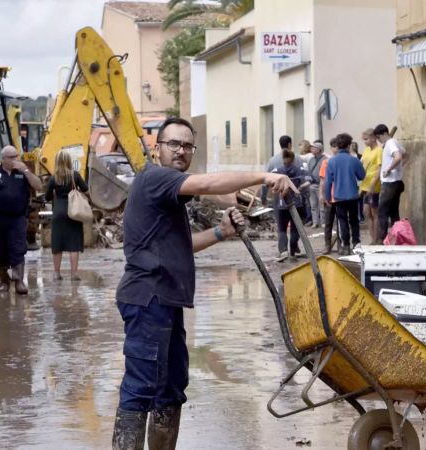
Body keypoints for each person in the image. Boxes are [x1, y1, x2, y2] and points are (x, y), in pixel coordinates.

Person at [112, 118, 297, 449]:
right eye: (173, 144)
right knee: (141, 389)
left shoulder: (169, 196)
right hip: (147, 299)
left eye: (187, 146)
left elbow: (180, 245)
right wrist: (263, 176)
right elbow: (210, 184)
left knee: (171, 389)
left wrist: (221, 233)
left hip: (166, 302)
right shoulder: (156, 178)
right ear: (158, 149)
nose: (181, 151)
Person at [0, 145, 43, 294]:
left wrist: (26, 170)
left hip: (18, 217)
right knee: (1, 249)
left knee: (18, 249)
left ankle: (19, 282)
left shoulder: (22, 172)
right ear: (4, 159)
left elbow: (38, 186)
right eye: (12, 157)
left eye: (16, 156)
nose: (15, 160)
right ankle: (4, 282)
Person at [45, 151, 89, 281]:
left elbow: (47, 197)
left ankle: (56, 273)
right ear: (69, 161)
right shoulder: (75, 176)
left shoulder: (54, 178)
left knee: (58, 244)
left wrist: (55, 195)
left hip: (58, 212)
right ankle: (74, 274)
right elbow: (86, 189)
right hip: (74, 212)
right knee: (73, 244)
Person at [324, 133, 365, 255]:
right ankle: (356, 243)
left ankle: (345, 245)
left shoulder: (331, 162)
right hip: (352, 195)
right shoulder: (354, 160)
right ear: (348, 146)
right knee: (354, 220)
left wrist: (327, 197)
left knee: (342, 221)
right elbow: (362, 175)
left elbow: (328, 182)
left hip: (338, 196)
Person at [271, 148, 308, 261]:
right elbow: (307, 182)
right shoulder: (299, 170)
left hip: (282, 204)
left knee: (282, 228)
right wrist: (302, 190)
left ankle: (283, 251)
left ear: (283, 159)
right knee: (295, 228)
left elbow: (270, 184)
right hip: (296, 204)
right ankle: (293, 249)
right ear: (293, 159)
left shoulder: (277, 171)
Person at [374, 124, 405, 243]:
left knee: (382, 212)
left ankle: (381, 240)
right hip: (397, 182)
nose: (378, 141)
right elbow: (404, 154)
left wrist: (389, 169)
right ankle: (395, 239)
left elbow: (398, 157)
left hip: (389, 183)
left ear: (383, 134)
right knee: (394, 213)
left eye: (378, 138)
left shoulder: (390, 143)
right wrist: (400, 169)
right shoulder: (395, 142)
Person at [359, 129, 383, 244]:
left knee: (374, 212)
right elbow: (361, 164)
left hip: (374, 185)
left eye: (366, 139)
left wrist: (373, 184)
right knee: (366, 212)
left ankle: (377, 238)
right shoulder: (366, 150)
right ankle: (372, 237)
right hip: (364, 184)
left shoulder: (379, 151)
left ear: (373, 138)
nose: (365, 142)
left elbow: (379, 169)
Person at [319, 138, 339, 254]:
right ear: (331, 148)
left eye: (337, 146)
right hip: (329, 197)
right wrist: (321, 195)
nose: (336, 149)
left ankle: (342, 245)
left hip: (340, 197)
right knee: (328, 223)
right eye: (334, 146)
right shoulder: (326, 162)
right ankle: (327, 245)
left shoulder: (343, 161)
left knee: (341, 223)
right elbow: (322, 180)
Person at [261, 135, 291, 204]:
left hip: (278, 195)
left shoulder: (273, 160)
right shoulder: (298, 159)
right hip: (295, 197)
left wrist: (263, 197)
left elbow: (265, 180)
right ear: (289, 145)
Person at [307, 140, 327, 229]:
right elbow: (308, 171)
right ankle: (315, 222)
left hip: (321, 185)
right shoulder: (311, 160)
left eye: (314, 147)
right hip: (311, 184)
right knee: (313, 205)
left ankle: (323, 222)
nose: (311, 149)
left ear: (319, 149)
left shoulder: (325, 160)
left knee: (322, 205)